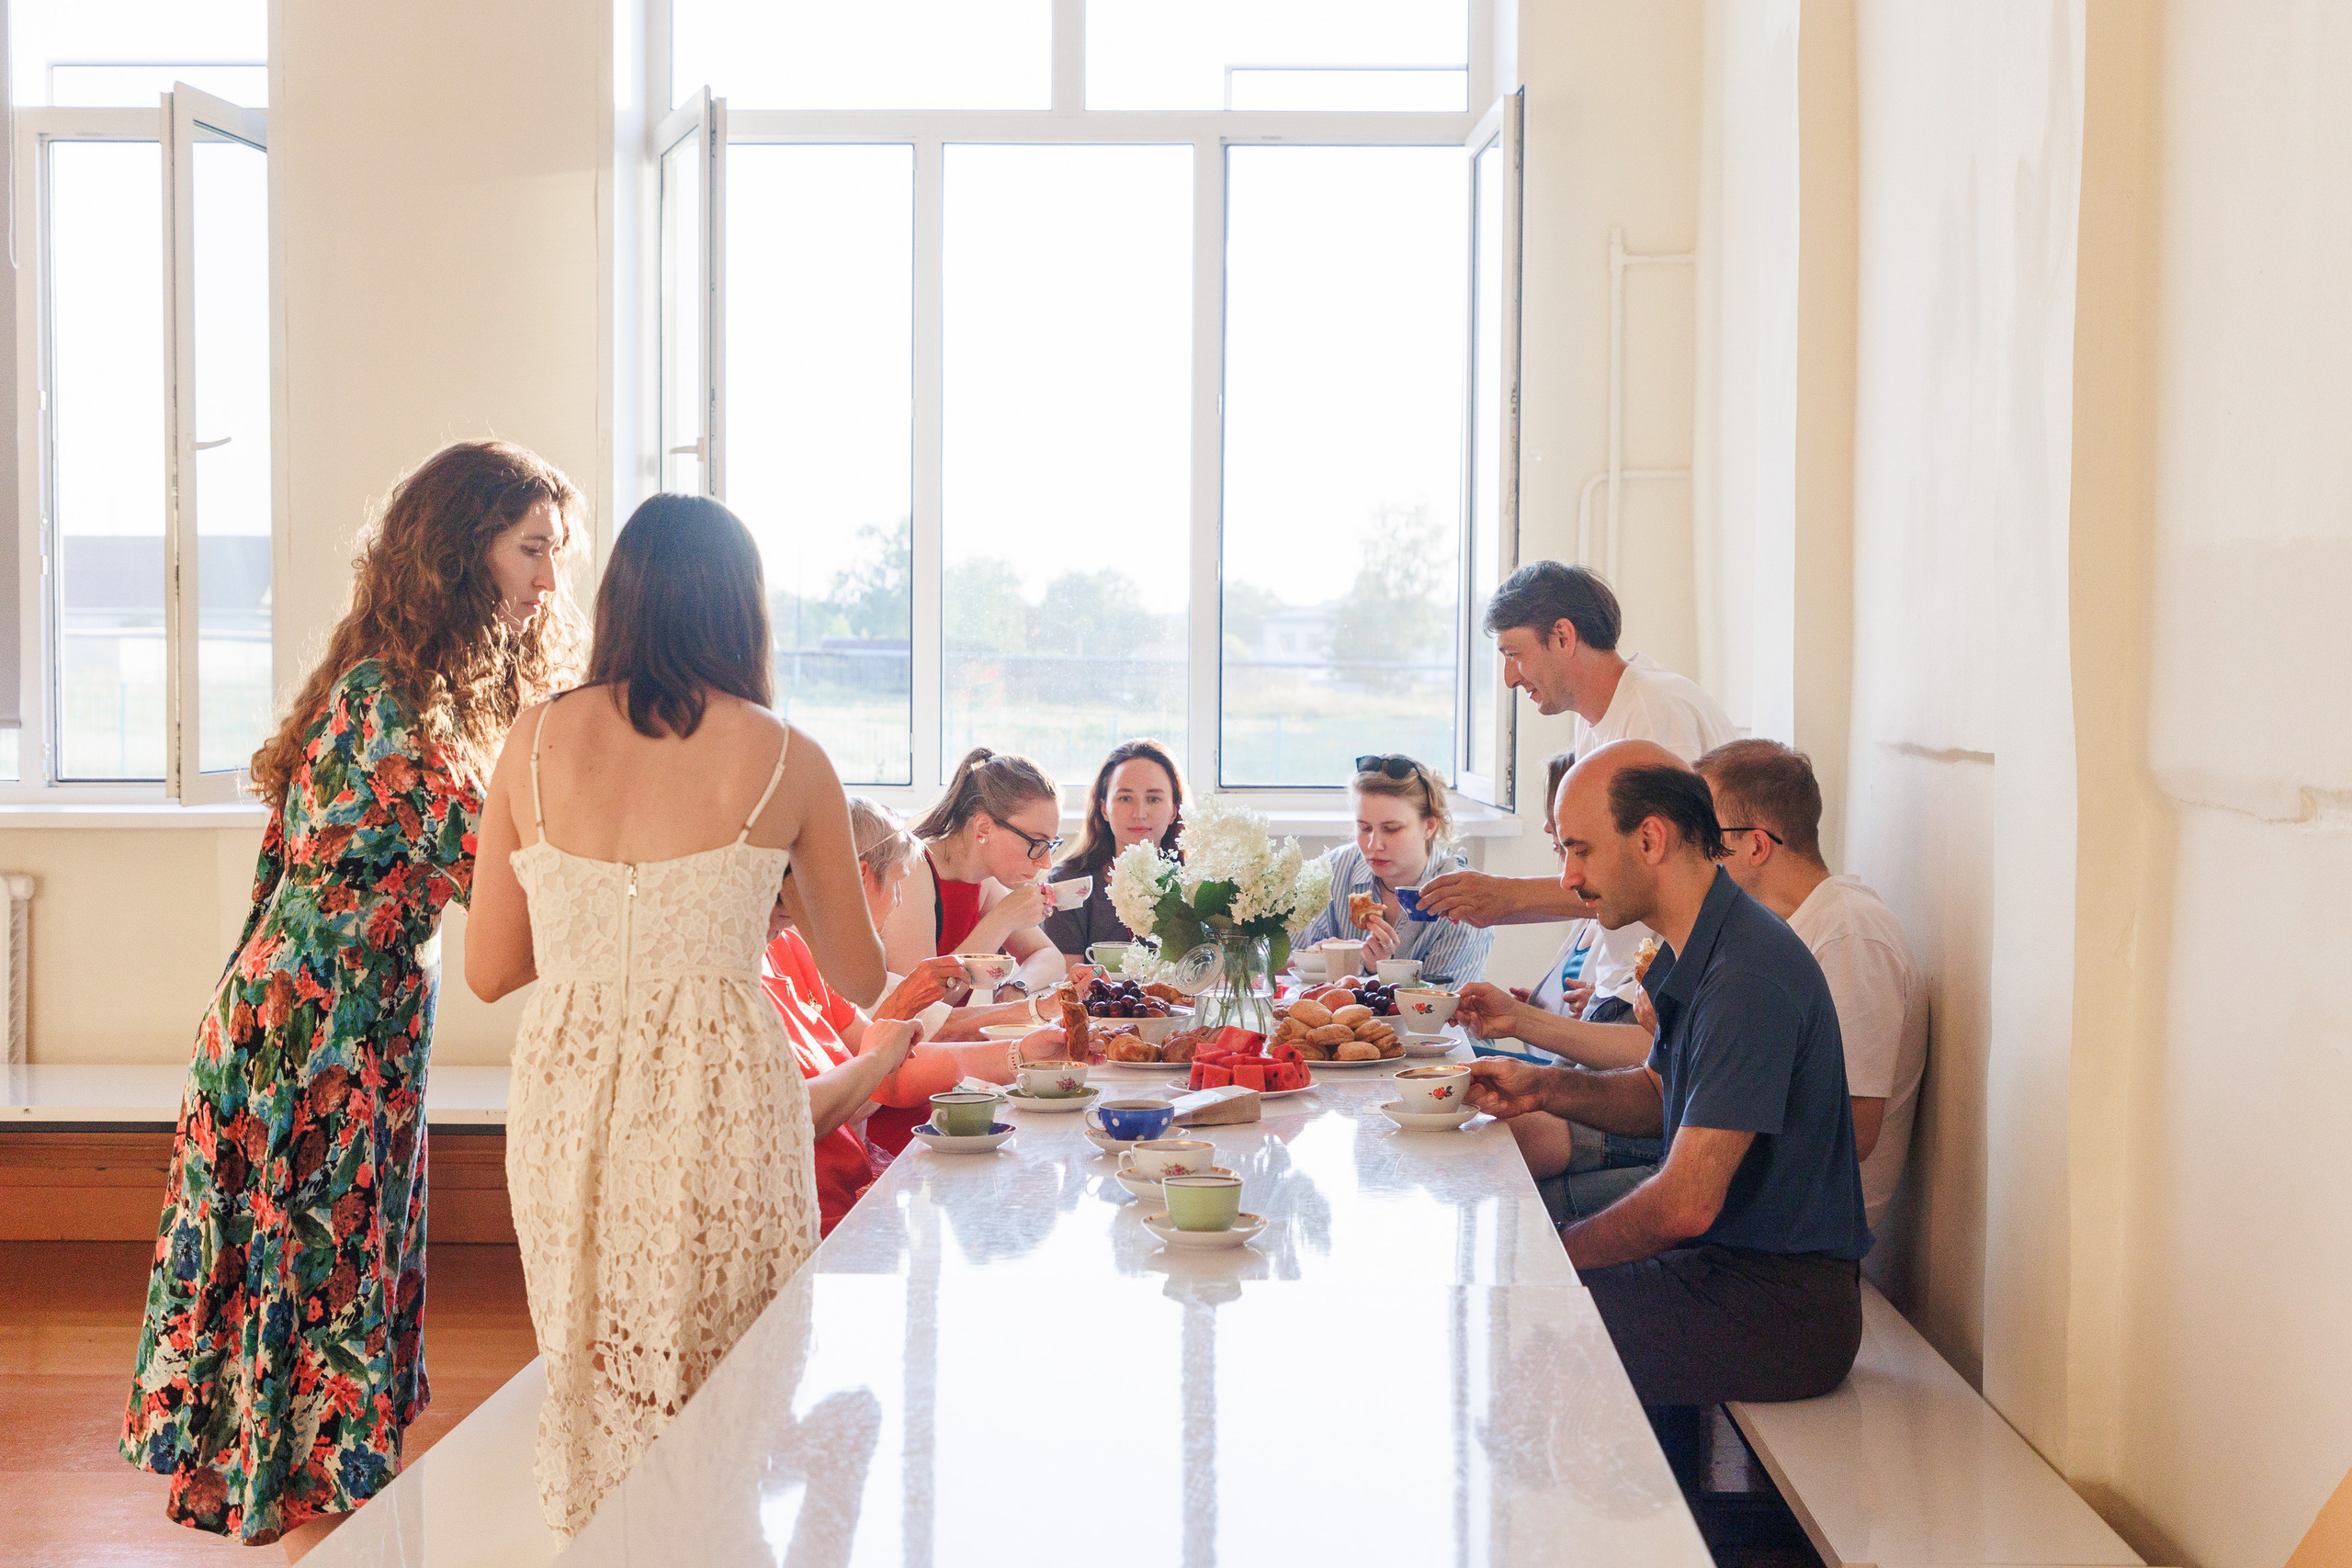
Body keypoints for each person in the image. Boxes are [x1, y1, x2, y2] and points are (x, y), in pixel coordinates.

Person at [120, 441, 585, 1556]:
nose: (550, 582)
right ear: (461, 551)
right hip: (312, 1040)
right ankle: (330, 1545)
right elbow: (508, 886)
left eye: (556, 555)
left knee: (336, 1302)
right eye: (533, 551)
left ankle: (330, 1541)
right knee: (326, 1309)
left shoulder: (397, 682)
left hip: (332, 1031)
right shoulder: (393, 701)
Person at [466, 493, 885, 1539]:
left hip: (568, 1093)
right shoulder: (788, 757)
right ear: (742, 612)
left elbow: (487, 971)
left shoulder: (532, 741)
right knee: (730, 1376)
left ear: (623, 601)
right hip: (720, 1096)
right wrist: (768, 892)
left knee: (593, 1369)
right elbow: (861, 977)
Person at [1464, 740, 1871, 1408]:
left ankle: (1622, 1510)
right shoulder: (1703, 943)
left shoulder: (1748, 975)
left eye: (1580, 849)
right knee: (1503, 1293)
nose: (1568, 876)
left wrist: (1559, 1250)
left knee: (1517, 1323)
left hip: (1781, 1306)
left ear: (1651, 838)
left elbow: (1686, 1203)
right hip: (1726, 1270)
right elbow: (1660, 1097)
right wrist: (1544, 1087)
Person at [1419, 561, 1734, 1021]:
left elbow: (1662, 876)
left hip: (1669, 989)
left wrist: (1506, 897)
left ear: (1563, 637)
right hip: (1623, 981)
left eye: (1514, 654)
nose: (1509, 678)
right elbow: (1607, 872)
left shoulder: (1652, 709)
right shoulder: (1596, 719)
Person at [1697, 739, 1926, 1233]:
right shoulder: (1777, 928)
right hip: (1756, 1189)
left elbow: (1854, 1131)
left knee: (1572, 1215)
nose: (1695, 858)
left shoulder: (1849, 934)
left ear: (1756, 845)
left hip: (1803, 1221)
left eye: (1705, 839)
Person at [811, 798, 1044, 1160]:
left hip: (855, 1156)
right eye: (898, 882)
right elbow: (864, 1095)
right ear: (861, 876)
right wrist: (1026, 1046)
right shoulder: (813, 961)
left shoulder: (843, 955)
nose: (900, 899)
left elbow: (939, 1025)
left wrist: (1041, 1015)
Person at [881, 746, 1068, 994]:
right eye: (1036, 843)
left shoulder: (984, 881)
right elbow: (918, 1004)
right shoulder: (913, 872)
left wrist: (1017, 986)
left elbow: (1049, 956)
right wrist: (1001, 920)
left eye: (1050, 845)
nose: (1046, 862)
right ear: (983, 828)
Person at [1298, 754, 1493, 988]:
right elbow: (1281, 969)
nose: (1373, 845)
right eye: (1364, 828)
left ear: (1429, 826)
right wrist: (1312, 959)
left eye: (1391, 829)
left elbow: (1443, 1012)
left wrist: (1384, 974)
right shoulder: (1332, 871)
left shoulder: (1461, 899)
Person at [1040, 738, 1186, 958]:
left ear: (1174, 810)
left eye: (1154, 798)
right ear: (1104, 808)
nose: (1139, 812)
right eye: (1125, 798)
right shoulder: (1067, 883)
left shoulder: (1195, 885)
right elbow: (1066, 981)